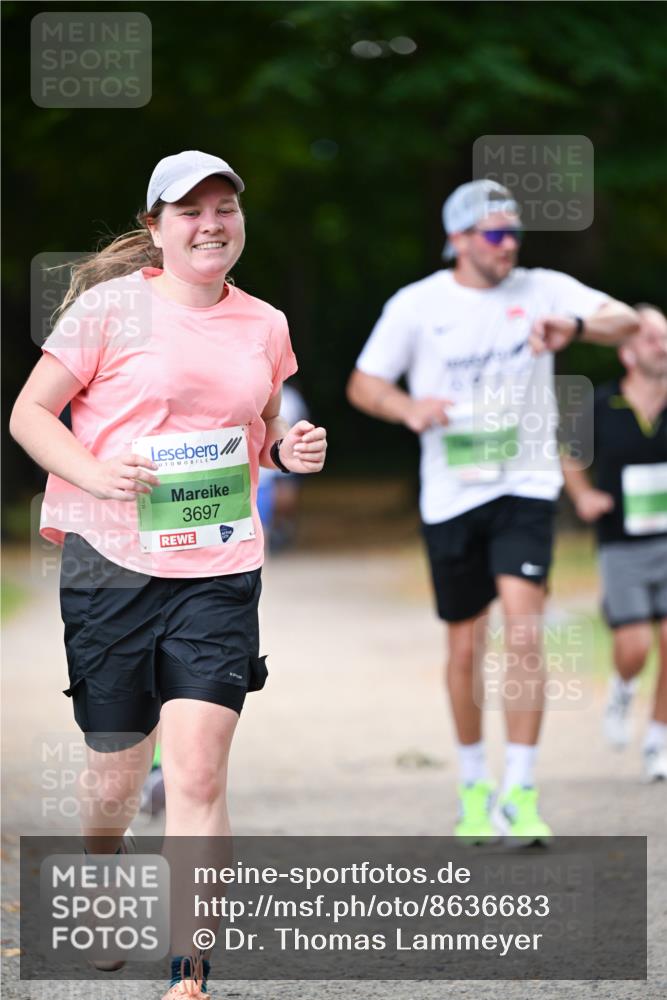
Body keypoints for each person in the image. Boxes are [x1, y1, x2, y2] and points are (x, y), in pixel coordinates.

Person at [9, 149, 327, 998]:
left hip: (218, 567)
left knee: (194, 771)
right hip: (111, 565)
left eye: (224, 207)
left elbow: (259, 430)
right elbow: (29, 414)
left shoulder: (265, 323)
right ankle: (102, 869)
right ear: (156, 227)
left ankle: (191, 971)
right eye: (189, 211)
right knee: (117, 771)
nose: (211, 223)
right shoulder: (110, 309)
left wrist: (287, 451)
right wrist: (90, 470)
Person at [347, 179, 639, 844]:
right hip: (450, 492)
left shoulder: (540, 289)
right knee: (463, 643)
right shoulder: (416, 305)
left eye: (514, 232)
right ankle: (473, 783)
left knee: (525, 630)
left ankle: (521, 788)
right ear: (458, 238)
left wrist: (576, 327)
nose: (509, 244)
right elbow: (364, 383)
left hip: (524, 485)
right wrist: (407, 408)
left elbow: (628, 320)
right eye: (495, 233)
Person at [563, 305, 667, 782]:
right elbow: (569, 455)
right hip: (621, 542)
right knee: (635, 645)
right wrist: (584, 496)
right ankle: (623, 688)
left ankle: (657, 740)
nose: (661, 346)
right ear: (626, 352)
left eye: (665, 337)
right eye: (649, 338)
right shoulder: (602, 405)